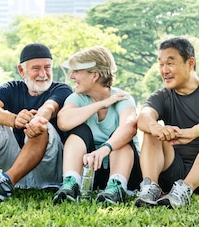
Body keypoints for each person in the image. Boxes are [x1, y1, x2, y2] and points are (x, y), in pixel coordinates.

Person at [0, 43, 72, 201]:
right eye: (36, 68)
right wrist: (14, 119)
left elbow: (49, 108)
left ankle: (7, 183)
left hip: (48, 169)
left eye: (47, 67)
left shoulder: (62, 89)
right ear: (21, 70)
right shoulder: (11, 88)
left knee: (41, 125)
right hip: (15, 163)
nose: (43, 74)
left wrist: (34, 120)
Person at [134, 36, 199, 209]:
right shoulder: (162, 96)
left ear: (190, 63)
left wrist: (194, 132)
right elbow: (144, 117)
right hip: (175, 175)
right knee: (151, 130)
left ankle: (187, 188)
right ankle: (150, 188)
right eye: (161, 64)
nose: (164, 70)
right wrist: (156, 127)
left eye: (170, 63)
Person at [53, 46, 142, 205]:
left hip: (126, 170)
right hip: (91, 171)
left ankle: (116, 187)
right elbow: (63, 121)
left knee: (120, 135)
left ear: (94, 75)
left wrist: (105, 148)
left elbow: (130, 127)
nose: (72, 76)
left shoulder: (122, 98)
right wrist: (102, 104)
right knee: (79, 130)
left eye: (77, 71)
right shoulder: (77, 98)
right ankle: (71, 183)